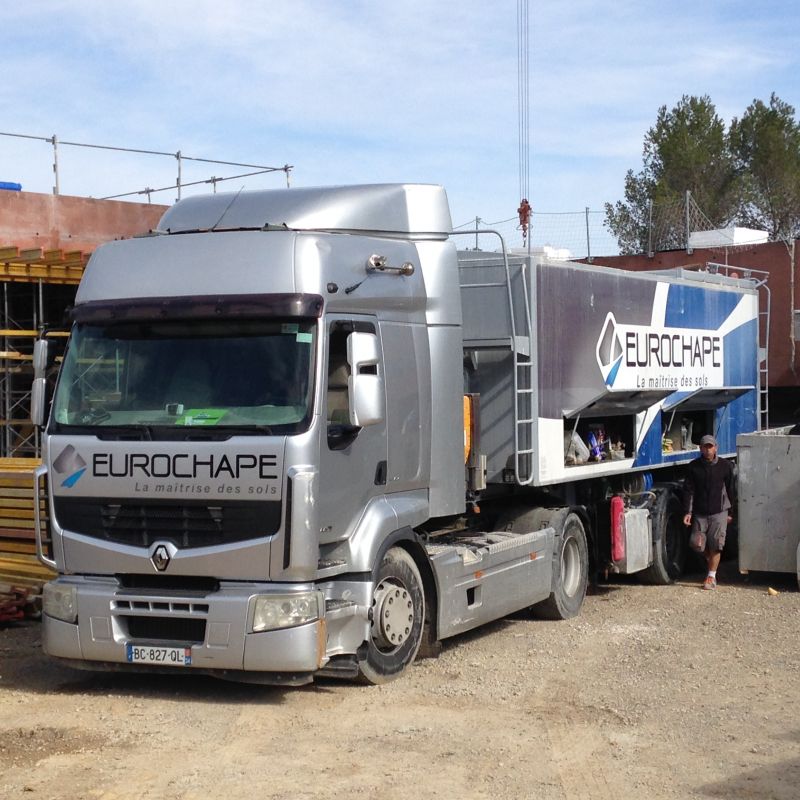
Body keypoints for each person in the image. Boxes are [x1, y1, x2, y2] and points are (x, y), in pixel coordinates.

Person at [682, 434, 735, 590]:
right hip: (700, 512)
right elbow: (689, 490)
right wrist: (688, 512)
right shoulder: (693, 467)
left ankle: (711, 577)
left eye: (710, 446)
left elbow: (731, 489)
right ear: (700, 448)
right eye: (705, 447)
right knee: (696, 544)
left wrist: (731, 512)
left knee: (717, 545)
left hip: (719, 511)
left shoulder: (725, 466)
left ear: (716, 448)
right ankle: (712, 563)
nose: (708, 450)